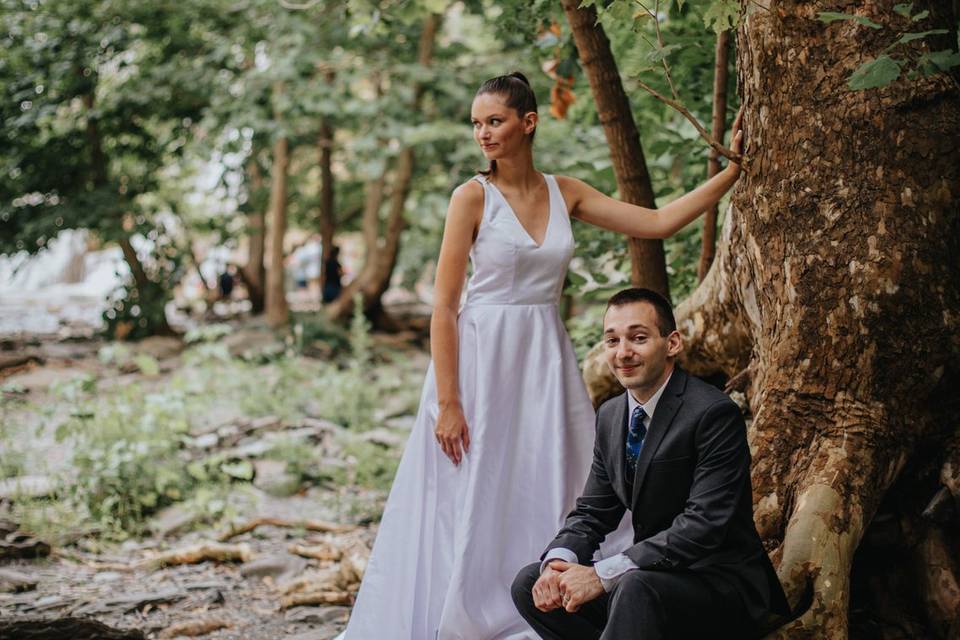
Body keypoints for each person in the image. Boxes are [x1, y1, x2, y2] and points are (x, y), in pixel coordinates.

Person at [338, 72, 745, 640]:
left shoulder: (565, 191)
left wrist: (732, 172)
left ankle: (557, 588)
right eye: (477, 123)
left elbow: (655, 223)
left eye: (495, 121)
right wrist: (448, 402)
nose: (483, 133)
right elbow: (444, 307)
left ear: (528, 122)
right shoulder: (471, 196)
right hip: (480, 359)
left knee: (549, 469)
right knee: (474, 481)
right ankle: (466, 608)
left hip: (543, 355)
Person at [511, 288, 791, 639]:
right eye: (612, 341)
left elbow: (704, 524)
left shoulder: (712, 413)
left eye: (638, 338)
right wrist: (556, 564)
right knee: (530, 583)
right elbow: (593, 513)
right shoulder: (611, 416)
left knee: (634, 587)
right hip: (649, 580)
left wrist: (600, 575)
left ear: (672, 343)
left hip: (718, 586)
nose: (623, 352)